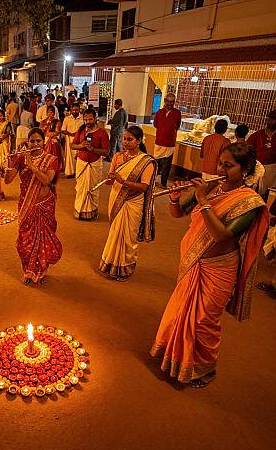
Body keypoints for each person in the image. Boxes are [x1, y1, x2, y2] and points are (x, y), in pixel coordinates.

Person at [151, 142, 269, 387]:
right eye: (220, 163)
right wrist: (174, 199)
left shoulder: (250, 202)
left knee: (204, 321)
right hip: (195, 263)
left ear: (245, 170)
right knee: (182, 312)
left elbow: (223, 235)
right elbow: (177, 213)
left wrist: (203, 201)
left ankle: (205, 368)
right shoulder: (212, 188)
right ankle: (176, 358)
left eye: (229, 166)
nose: (221, 169)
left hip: (219, 269)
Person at [5, 128, 62, 285]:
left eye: (38, 141)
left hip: (44, 205)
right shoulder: (21, 157)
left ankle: (38, 270)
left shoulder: (51, 159)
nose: (35, 144)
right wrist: (10, 164)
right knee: (25, 240)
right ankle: (28, 270)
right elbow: (8, 180)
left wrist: (31, 166)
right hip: (26, 204)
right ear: (27, 142)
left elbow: (46, 180)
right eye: (32, 141)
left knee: (42, 239)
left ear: (43, 142)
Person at [99, 126, 156, 281]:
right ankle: (110, 264)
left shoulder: (146, 162)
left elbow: (144, 187)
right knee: (115, 232)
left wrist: (123, 181)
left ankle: (125, 268)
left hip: (133, 202)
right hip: (116, 197)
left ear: (139, 141)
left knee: (128, 236)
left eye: (129, 139)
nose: (125, 142)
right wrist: (110, 179)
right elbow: (111, 181)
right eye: (124, 138)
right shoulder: (117, 156)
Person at [72, 108, 110, 220]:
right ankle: (79, 211)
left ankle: (91, 212)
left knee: (93, 188)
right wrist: (81, 146)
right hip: (82, 162)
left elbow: (106, 152)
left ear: (95, 118)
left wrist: (93, 149)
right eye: (85, 119)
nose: (88, 122)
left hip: (95, 163)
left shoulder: (102, 133)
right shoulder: (81, 130)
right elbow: (73, 145)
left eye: (90, 119)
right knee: (80, 188)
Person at [153, 93, 181, 187]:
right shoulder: (159, 112)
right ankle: (152, 180)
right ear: (164, 101)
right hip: (159, 142)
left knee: (167, 165)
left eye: (172, 102)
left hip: (170, 143)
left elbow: (177, 126)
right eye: (168, 101)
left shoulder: (177, 113)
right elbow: (155, 125)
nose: (170, 104)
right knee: (156, 163)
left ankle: (163, 183)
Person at [247, 110, 276, 198]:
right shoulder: (257, 134)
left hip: (272, 170)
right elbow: (247, 149)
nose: (272, 122)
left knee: (268, 194)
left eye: (275, 120)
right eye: (270, 119)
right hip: (257, 168)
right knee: (254, 193)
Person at [235, 124, 265, 192]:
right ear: (246, 134)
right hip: (247, 178)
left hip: (236, 178)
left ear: (236, 133)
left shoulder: (231, 148)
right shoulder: (250, 148)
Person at [61, 102, 83, 178]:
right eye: (73, 110)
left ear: (79, 110)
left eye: (76, 110)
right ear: (71, 110)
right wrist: (71, 134)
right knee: (69, 158)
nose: (75, 112)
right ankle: (70, 173)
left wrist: (77, 134)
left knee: (79, 156)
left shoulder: (82, 118)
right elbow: (63, 130)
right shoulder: (67, 118)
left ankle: (79, 172)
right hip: (69, 140)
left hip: (80, 140)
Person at [40, 106, 63, 172]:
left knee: (54, 146)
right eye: (49, 113)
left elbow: (57, 132)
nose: (51, 114)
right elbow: (41, 131)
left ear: (54, 113)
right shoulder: (43, 121)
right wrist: (45, 128)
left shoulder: (57, 121)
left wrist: (48, 134)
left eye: (52, 113)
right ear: (46, 113)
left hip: (53, 140)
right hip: (45, 139)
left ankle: (54, 168)